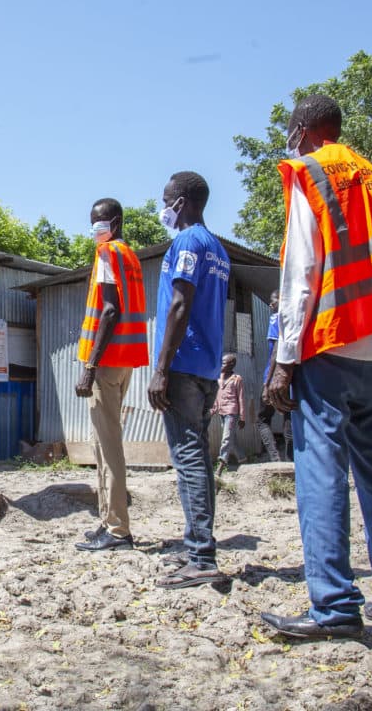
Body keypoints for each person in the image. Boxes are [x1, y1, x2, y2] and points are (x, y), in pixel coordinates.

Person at [261, 94, 372, 640]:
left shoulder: (310, 173)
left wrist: (284, 358)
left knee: (321, 472)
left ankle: (333, 606)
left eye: (288, 127)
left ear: (304, 127)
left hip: (328, 342)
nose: (288, 138)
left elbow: (302, 271)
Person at [147, 171, 230, 589]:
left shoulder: (187, 243)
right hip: (207, 368)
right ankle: (196, 545)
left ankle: (201, 555)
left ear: (181, 201)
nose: (162, 206)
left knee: (189, 459)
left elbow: (180, 304)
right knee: (199, 457)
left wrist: (160, 367)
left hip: (183, 366)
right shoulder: (218, 248)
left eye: (165, 199)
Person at [73, 199, 149, 552]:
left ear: (114, 223)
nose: (94, 228)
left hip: (106, 362)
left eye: (98, 221)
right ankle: (107, 522)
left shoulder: (107, 254)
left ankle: (118, 530)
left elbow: (110, 310)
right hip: (125, 360)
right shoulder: (130, 256)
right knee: (102, 445)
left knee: (109, 447)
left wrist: (90, 367)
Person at [256, 291, 284, 462]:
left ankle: (275, 458)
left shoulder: (276, 318)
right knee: (289, 416)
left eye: (274, 301)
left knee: (262, 418)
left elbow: (276, 350)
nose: (271, 305)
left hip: (274, 375)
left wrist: (267, 383)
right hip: (292, 375)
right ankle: (292, 459)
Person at [213, 353, 247, 476]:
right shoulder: (219, 378)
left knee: (226, 438)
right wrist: (214, 409)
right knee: (232, 438)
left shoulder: (237, 379)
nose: (221, 365)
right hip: (222, 411)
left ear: (231, 364)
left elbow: (241, 398)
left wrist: (243, 417)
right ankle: (243, 459)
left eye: (224, 363)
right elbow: (218, 397)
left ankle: (221, 465)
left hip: (232, 412)